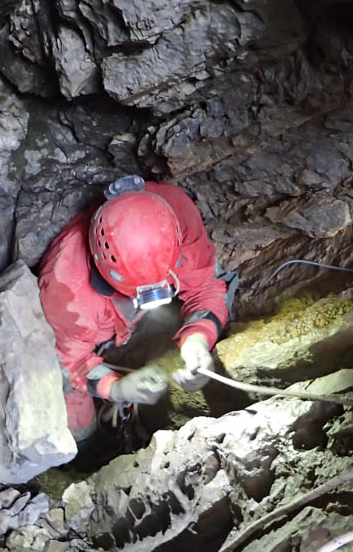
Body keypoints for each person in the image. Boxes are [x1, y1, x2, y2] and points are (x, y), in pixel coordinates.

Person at [38, 175, 231, 446]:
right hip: (84, 330)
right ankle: (84, 444)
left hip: (120, 317)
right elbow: (71, 363)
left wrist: (198, 340)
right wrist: (116, 387)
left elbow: (205, 287)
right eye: (140, 293)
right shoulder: (67, 288)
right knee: (71, 407)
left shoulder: (176, 214)